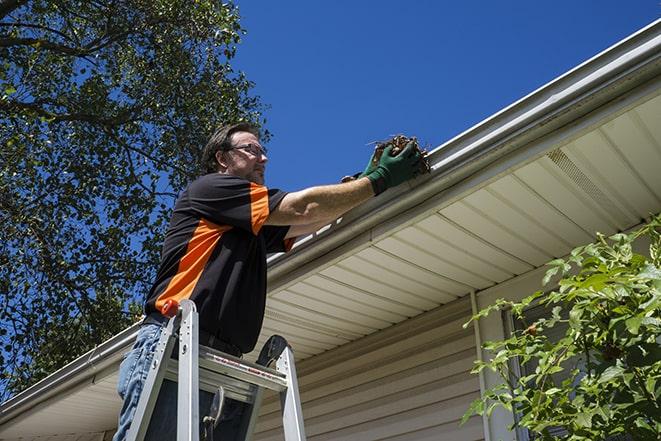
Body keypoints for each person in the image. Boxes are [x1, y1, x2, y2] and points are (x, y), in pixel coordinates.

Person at [112, 122, 423, 440]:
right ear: (223, 158)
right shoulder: (210, 190)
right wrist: (379, 180)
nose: (263, 159)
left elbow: (313, 219)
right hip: (173, 345)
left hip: (216, 360)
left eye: (264, 152)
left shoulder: (250, 225)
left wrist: (361, 184)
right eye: (252, 150)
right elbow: (303, 208)